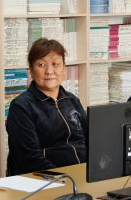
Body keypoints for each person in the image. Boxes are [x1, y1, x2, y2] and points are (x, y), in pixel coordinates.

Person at [5, 38, 86, 175]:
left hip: (82, 176)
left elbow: (91, 142)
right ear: (31, 70)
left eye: (55, 64)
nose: (49, 71)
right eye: (41, 65)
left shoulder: (72, 100)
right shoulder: (21, 107)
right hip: (45, 180)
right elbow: (29, 160)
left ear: (64, 68)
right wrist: (64, 178)